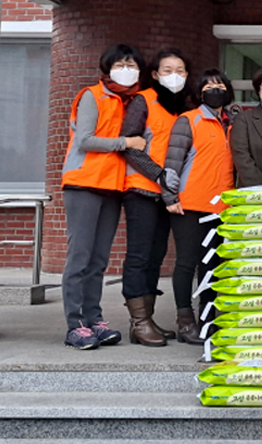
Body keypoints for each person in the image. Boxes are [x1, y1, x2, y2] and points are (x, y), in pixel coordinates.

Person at [60, 44, 147, 350]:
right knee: (80, 257)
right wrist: (126, 142)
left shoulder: (132, 103)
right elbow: (84, 140)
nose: (127, 69)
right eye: (122, 63)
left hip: (112, 188)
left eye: (133, 65)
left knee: (98, 260)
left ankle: (94, 319)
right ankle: (75, 325)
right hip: (84, 183)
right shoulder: (91, 95)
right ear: (108, 67)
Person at [118, 48, 191, 347]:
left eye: (181, 70)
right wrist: (158, 174)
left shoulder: (179, 108)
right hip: (141, 189)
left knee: (156, 255)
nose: (175, 75)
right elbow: (130, 146)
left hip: (165, 194)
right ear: (155, 74)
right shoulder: (143, 100)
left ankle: (146, 320)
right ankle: (138, 321)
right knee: (138, 255)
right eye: (168, 69)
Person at [161, 69, 235, 344]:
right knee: (186, 263)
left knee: (213, 265)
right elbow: (172, 163)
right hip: (189, 205)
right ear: (199, 91)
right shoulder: (188, 120)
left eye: (220, 84)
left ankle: (209, 318)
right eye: (209, 85)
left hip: (222, 207)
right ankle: (185, 321)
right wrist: (170, 198)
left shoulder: (231, 123)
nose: (215, 89)